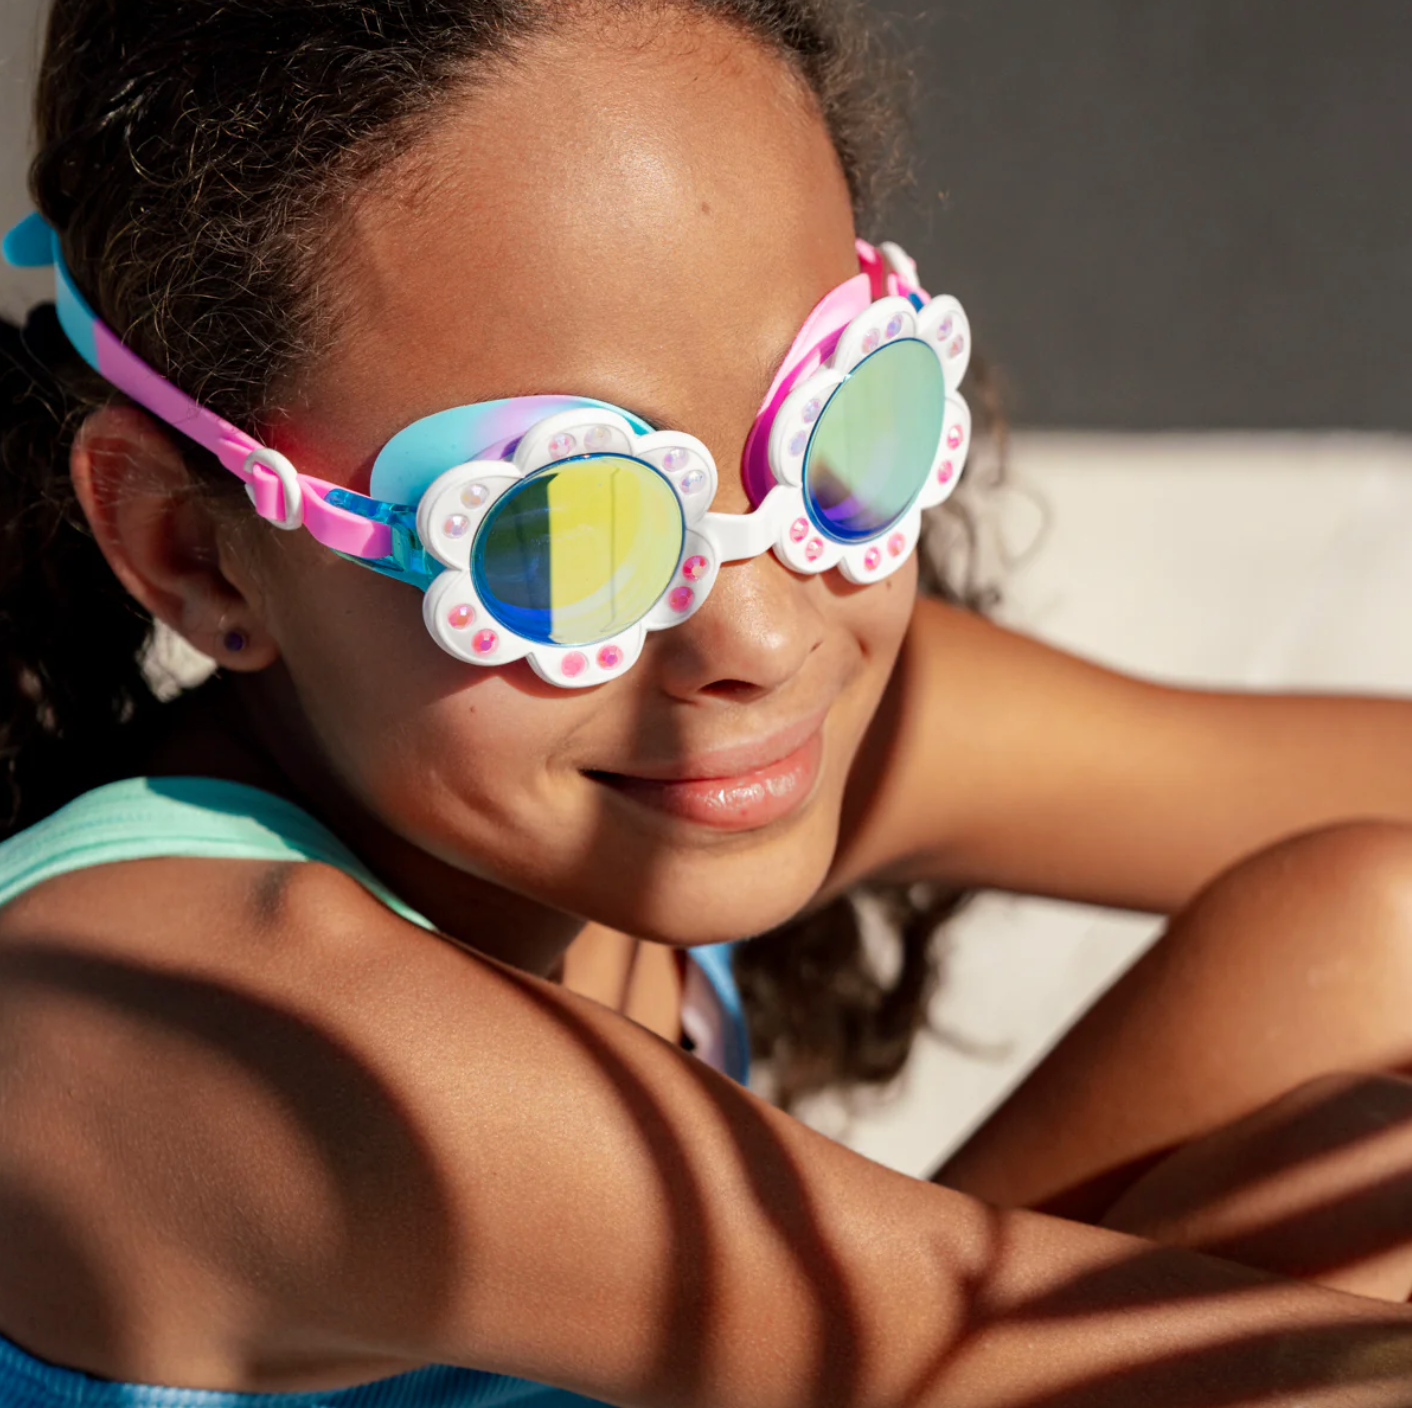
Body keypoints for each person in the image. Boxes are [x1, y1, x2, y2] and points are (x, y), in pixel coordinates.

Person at [6, 0, 1412, 1403]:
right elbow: (957, 1341)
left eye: (841, 420)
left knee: (1371, 943)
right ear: (192, 550)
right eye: (565, 530)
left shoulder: (659, 728)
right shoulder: (208, 1027)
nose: (764, 632)